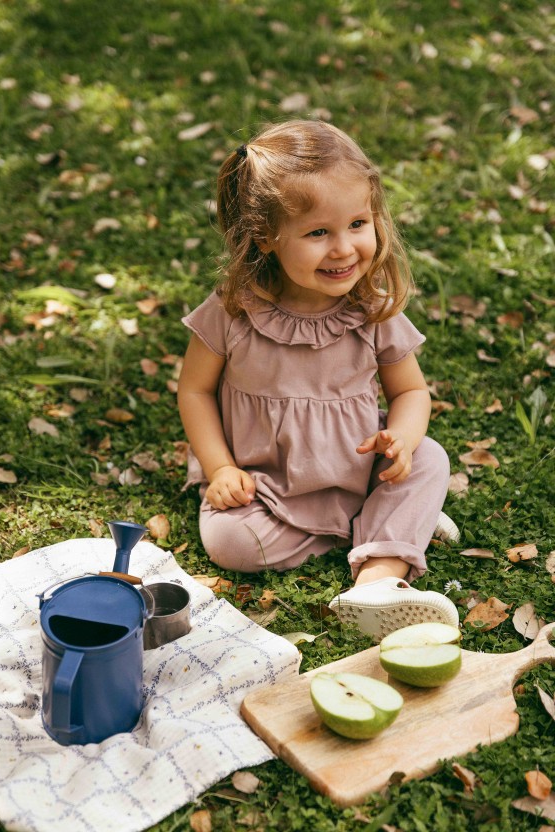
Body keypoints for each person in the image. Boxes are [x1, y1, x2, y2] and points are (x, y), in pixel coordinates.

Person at [177, 119, 459, 641]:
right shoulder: (233, 312)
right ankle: (383, 526)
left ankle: (376, 581)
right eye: (317, 233)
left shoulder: (371, 310)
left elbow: (410, 392)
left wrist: (403, 438)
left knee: (430, 458)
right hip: (268, 485)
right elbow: (193, 391)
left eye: (358, 224)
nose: (344, 248)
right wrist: (219, 468)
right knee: (229, 543)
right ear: (265, 235)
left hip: (352, 462)